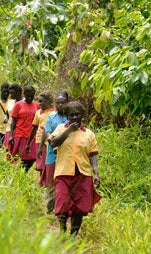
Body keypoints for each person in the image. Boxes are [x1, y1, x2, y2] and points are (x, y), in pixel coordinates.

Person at [49, 101, 101, 236]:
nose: (75, 118)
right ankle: (62, 230)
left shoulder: (89, 134)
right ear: (67, 116)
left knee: (79, 208)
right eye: (72, 115)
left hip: (83, 174)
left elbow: (93, 154)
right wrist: (68, 130)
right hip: (63, 172)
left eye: (77, 115)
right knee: (62, 205)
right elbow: (54, 142)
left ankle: (73, 236)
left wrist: (96, 173)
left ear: (82, 115)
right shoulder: (61, 128)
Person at [39, 91, 69, 213]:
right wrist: (46, 145)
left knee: (63, 181)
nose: (61, 105)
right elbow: (47, 132)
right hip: (52, 154)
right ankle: (49, 207)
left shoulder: (71, 117)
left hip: (66, 155)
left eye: (63, 102)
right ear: (55, 104)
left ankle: (62, 207)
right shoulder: (51, 117)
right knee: (50, 182)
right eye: (58, 103)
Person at [9, 85, 40, 172]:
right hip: (20, 134)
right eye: (28, 96)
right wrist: (11, 135)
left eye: (32, 96)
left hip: (32, 136)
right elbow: (13, 121)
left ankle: (22, 172)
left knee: (32, 157)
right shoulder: (18, 105)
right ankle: (17, 174)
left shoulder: (37, 105)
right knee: (19, 156)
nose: (30, 98)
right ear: (24, 94)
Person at [26, 92, 55, 176]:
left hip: (51, 139)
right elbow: (34, 128)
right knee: (41, 164)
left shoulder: (54, 111)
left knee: (49, 162)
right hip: (39, 139)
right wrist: (28, 143)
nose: (39, 104)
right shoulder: (38, 112)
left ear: (48, 101)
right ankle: (42, 182)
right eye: (39, 101)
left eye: (41, 101)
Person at [4, 83, 23, 158]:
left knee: (17, 152)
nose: (11, 95)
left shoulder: (24, 102)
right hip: (9, 129)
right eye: (10, 93)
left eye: (12, 93)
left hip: (19, 130)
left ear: (18, 92)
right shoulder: (10, 102)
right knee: (8, 151)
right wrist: (5, 117)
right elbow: (7, 112)